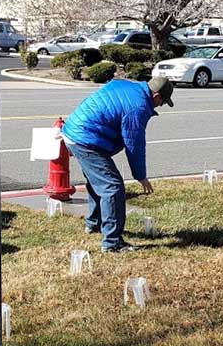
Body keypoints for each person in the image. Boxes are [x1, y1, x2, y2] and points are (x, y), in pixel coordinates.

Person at [61, 77, 173, 253]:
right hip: (86, 138)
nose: (160, 106)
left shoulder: (127, 86)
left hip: (76, 130)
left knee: (97, 180)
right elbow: (134, 144)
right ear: (157, 96)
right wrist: (140, 176)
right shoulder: (139, 107)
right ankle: (112, 243)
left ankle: (94, 224)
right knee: (112, 187)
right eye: (162, 102)